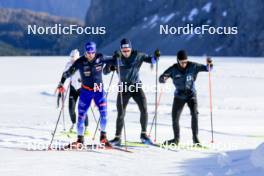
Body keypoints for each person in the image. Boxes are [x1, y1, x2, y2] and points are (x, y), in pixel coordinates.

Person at [103, 38, 160, 146]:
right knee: (121, 113)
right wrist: (111, 66)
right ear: (121, 49)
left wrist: (156, 56)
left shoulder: (138, 55)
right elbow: (105, 72)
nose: (126, 52)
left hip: (136, 86)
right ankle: (117, 138)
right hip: (123, 88)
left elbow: (152, 60)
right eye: (124, 50)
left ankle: (144, 135)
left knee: (144, 109)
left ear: (131, 48)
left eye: (128, 50)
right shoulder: (117, 57)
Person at [57, 42, 112, 148]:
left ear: (95, 51)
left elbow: (114, 60)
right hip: (85, 91)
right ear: (85, 52)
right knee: (81, 116)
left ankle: (103, 138)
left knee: (104, 114)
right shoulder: (80, 61)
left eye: (92, 52)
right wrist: (63, 80)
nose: (90, 54)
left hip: (98, 89)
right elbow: (68, 72)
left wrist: (113, 63)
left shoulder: (100, 57)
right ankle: (80, 140)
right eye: (88, 52)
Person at [159, 50, 213, 146]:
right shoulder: (173, 69)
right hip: (179, 96)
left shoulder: (193, 66)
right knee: (175, 118)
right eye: (181, 62)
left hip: (191, 95)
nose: (184, 64)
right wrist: (163, 78)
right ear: (178, 61)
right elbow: (163, 76)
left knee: (194, 114)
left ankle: (195, 139)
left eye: (185, 61)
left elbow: (208, 69)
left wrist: (210, 64)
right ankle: (176, 139)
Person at [57, 49, 89, 135]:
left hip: (82, 88)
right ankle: (73, 124)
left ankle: (86, 127)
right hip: (73, 88)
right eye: (71, 58)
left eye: (73, 58)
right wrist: (61, 84)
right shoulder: (69, 64)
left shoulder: (82, 63)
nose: (72, 60)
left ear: (77, 57)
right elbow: (64, 75)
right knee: (71, 108)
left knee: (82, 109)